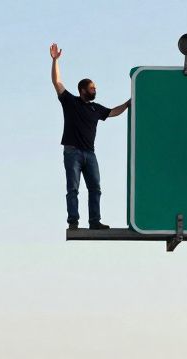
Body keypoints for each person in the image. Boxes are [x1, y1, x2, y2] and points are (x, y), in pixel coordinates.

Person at [50, 43, 129, 230]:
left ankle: (94, 221)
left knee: (95, 188)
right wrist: (55, 61)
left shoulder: (95, 108)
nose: (95, 90)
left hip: (90, 154)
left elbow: (113, 112)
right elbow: (57, 82)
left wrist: (128, 103)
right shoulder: (71, 102)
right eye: (92, 88)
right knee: (73, 189)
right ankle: (73, 221)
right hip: (72, 152)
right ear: (83, 90)